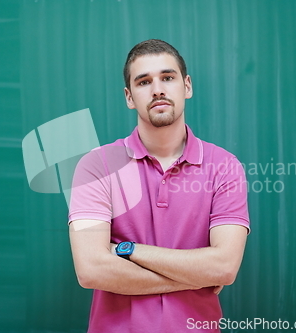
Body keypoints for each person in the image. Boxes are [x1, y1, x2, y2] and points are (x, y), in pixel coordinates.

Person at [68, 39, 250, 333]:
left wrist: (127, 250)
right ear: (129, 97)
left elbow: (224, 268)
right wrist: (197, 275)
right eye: (143, 82)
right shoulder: (96, 166)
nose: (157, 89)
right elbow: (91, 271)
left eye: (167, 77)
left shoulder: (225, 167)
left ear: (187, 86)